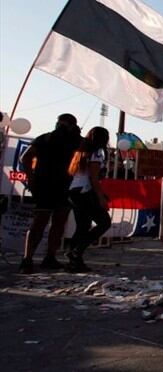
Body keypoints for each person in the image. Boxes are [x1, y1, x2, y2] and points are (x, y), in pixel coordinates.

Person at [18, 113, 82, 274]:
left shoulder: (67, 140)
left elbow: (25, 158)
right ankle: (29, 259)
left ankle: (45, 258)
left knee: (54, 223)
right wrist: (31, 180)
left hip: (59, 186)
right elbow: (25, 158)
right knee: (42, 223)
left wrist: (32, 179)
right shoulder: (47, 139)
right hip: (50, 186)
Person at [66, 126, 112, 272]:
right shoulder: (97, 152)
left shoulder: (82, 151)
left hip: (75, 190)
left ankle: (74, 258)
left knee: (83, 225)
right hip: (85, 191)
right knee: (104, 222)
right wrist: (100, 198)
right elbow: (93, 177)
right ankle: (76, 251)